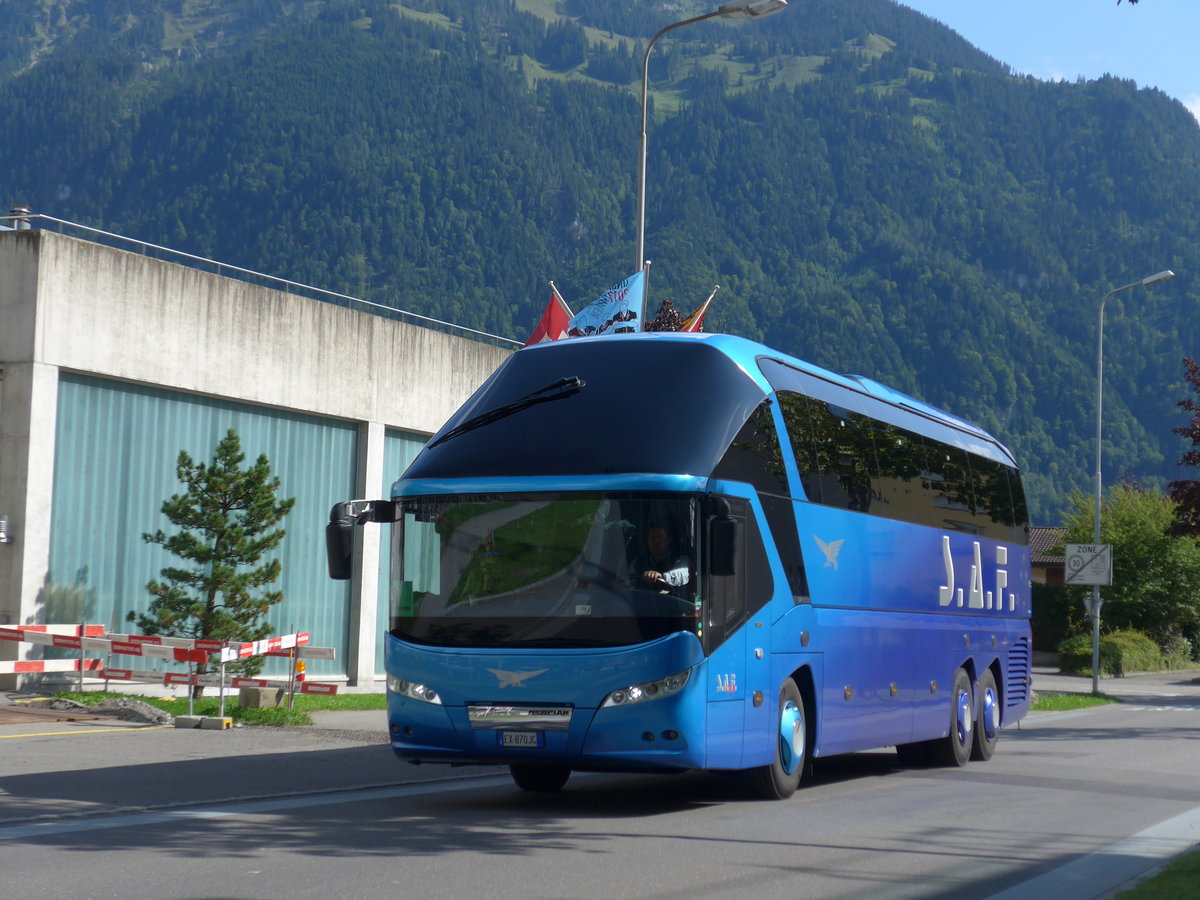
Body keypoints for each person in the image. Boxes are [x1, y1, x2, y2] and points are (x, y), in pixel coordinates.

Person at [632, 524, 691, 593]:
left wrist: (662, 577)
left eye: (660, 537)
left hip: (673, 602)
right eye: (652, 538)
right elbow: (627, 579)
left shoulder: (681, 559)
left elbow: (681, 575)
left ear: (669, 539)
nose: (657, 541)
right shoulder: (639, 561)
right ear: (647, 541)